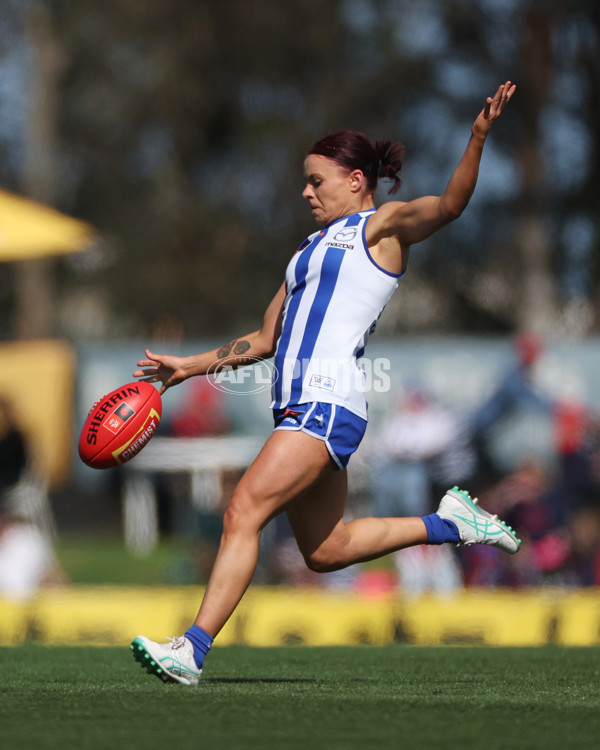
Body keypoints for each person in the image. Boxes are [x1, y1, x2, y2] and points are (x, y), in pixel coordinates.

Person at [130, 82, 520, 685]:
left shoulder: (381, 228)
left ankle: (192, 649)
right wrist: (188, 366)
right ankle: (453, 523)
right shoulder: (305, 253)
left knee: (242, 510)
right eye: (306, 182)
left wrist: (476, 138)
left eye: (317, 180)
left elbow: (449, 206)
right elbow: (262, 341)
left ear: (357, 179)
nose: (306, 191)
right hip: (303, 410)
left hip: (326, 404)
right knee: (326, 551)